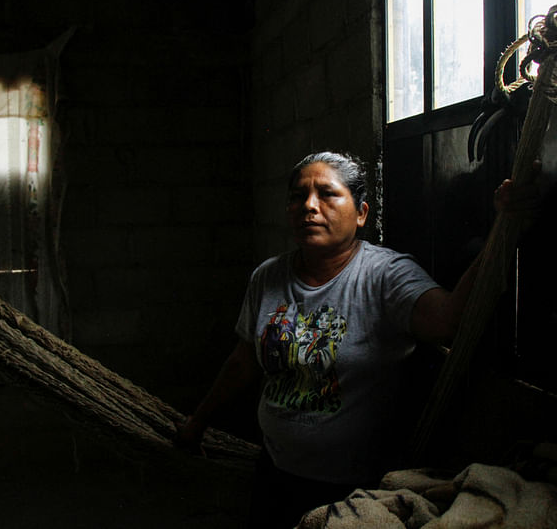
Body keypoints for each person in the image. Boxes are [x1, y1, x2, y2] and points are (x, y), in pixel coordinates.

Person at [175, 151, 534, 528]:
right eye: (298, 196)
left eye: (327, 194)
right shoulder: (267, 277)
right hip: (275, 472)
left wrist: (504, 229)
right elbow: (242, 361)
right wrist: (197, 423)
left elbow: (450, 321)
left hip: (356, 491)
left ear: (361, 213)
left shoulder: (384, 275)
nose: (309, 206)